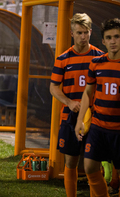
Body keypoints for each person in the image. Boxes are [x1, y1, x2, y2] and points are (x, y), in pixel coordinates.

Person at [50, 13, 104, 196]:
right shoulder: (63, 58)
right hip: (70, 116)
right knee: (71, 163)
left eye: (86, 32)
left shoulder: (100, 58)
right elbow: (53, 87)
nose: (83, 36)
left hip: (95, 117)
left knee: (93, 164)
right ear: (72, 33)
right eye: (79, 32)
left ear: (90, 32)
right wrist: (69, 102)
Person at [75, 18, 120, 197]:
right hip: (98, 127)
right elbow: (87, 93)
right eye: (109, 37)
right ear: (103, 41)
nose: (113, 41)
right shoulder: (96, 63)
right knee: (90, 167)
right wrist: (80, 120)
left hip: (118, 130)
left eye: (117, 36)